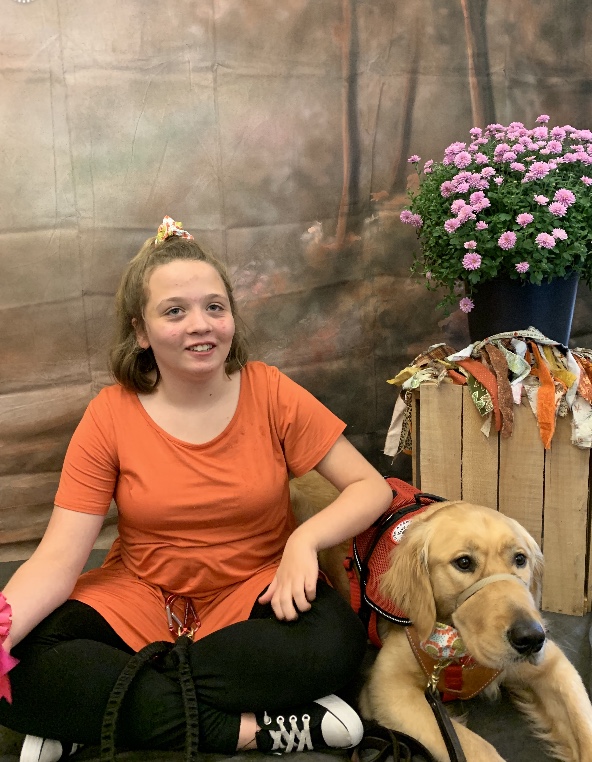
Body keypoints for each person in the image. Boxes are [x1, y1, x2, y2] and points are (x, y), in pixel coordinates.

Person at [0, 217, 393, 762]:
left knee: (333, 644)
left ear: (231, 316)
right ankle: (267, 729)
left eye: (215, 307)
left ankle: (94, 712)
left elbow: (369, 488)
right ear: (141, 330)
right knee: (15, 662)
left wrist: (301, 543)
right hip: (139, 598)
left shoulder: (271, 390)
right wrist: (1, 626)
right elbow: (58, 558)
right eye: (175, 311)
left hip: (252, 593)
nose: (200, 325)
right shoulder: (108, 415)